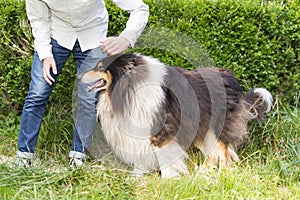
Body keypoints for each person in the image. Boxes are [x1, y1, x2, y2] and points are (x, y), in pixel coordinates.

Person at [16, 0, 149, 168]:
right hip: (56, 35)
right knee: (37, 94)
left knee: (87, 99)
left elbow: (140, 8)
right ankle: (24, 157)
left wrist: (126, 38)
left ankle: (78, 157)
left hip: (93, 34)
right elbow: (39, 19)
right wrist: (45, 54)